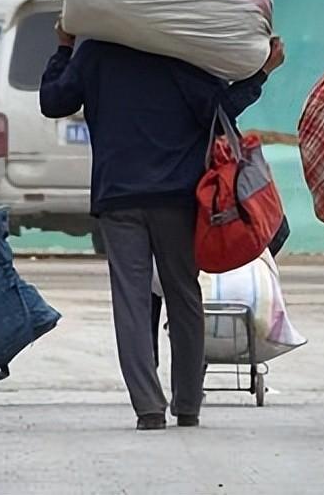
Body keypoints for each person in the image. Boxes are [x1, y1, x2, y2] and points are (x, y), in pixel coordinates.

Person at [40, 25, 285, 430]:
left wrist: (64, 47)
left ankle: (148, 408)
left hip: (118, 195)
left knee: (131, 301)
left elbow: (53, 101)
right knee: (183, 295)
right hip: (178, 197)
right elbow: (221, 109)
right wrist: (262, 74)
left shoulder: (98, 51)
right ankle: (188, 404)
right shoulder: (181, 49)